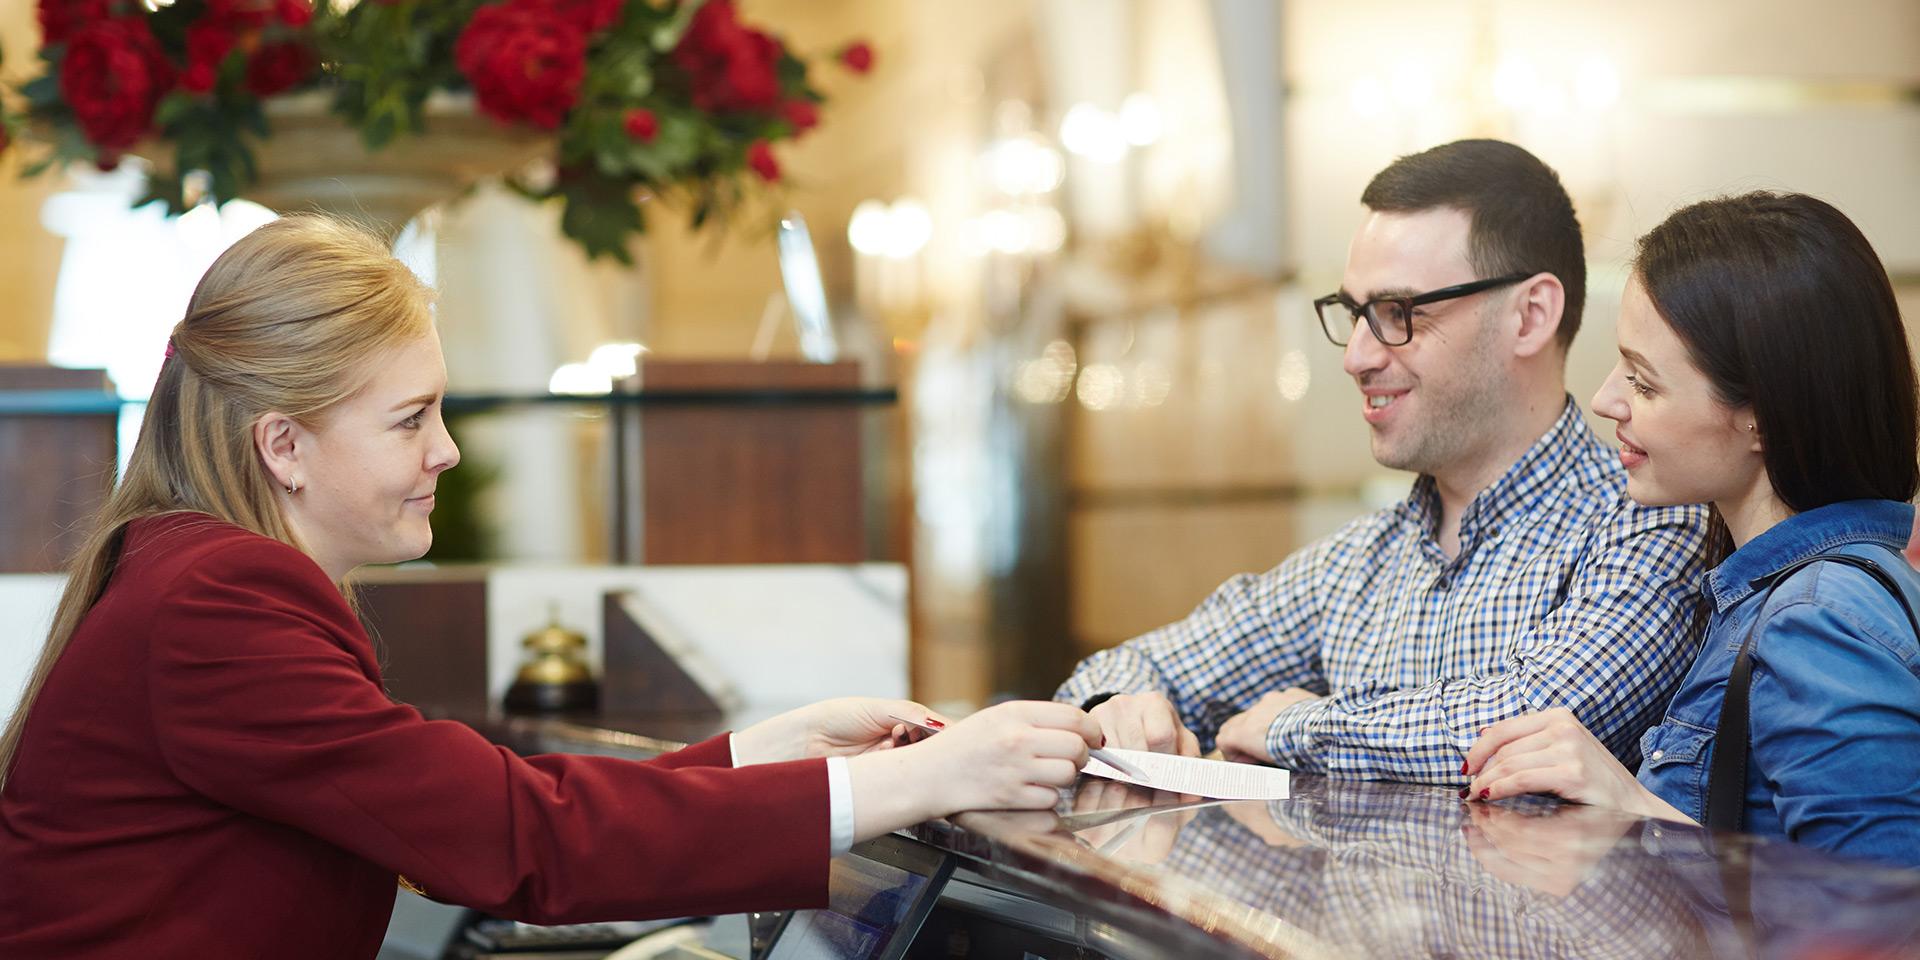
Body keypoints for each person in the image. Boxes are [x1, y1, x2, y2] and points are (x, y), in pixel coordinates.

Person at [0, 215, 1103, 958]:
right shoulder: (220, 603)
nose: (447, 453)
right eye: (410, 419)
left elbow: (472, 815)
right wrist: (922, 783)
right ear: (283, 444)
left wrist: (767, 751)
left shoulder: (195, 568)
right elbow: (518, 839)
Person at [1056, 139, 1710, 782]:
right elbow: (1120, 671)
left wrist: (1296, 726)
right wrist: (1120, 709)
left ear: (1531, 315)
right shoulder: (1352, 566)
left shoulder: (1650, 521)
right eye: (1354, 314)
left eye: (1398, 313)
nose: (1356, 356)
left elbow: (1527, 725)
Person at [1463, 192, 1920, 867]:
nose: (1605, 399)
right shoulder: (1784, 592)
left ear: (1761, 417)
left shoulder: (1817, 618)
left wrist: (1628, 803)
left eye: (1644, 383)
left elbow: (1880, 913)